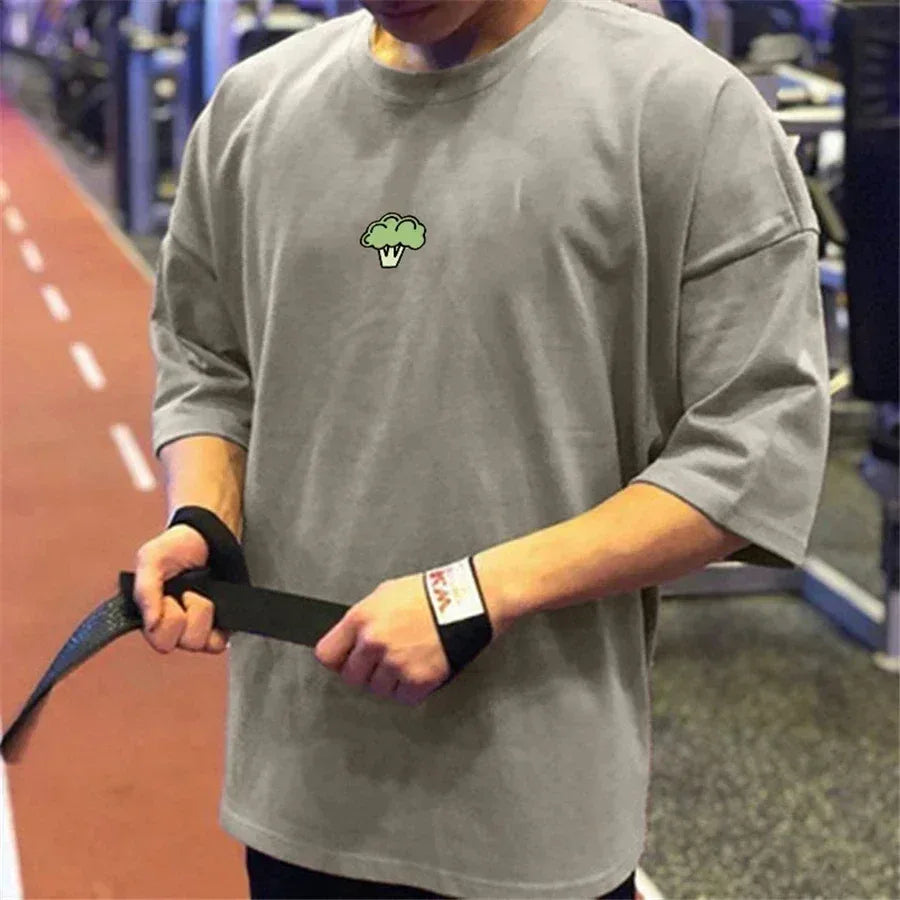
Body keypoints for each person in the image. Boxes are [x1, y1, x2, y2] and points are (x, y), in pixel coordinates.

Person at [132, 0, 830, 897]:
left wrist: (473, 594)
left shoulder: (682, 108)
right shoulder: (252, 108)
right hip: (299, 791)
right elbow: (207, 361)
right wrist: (204, 518)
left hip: (532, 811)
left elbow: (752, 447)